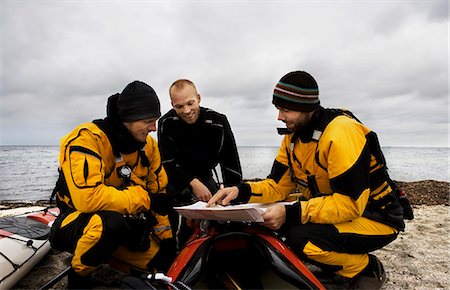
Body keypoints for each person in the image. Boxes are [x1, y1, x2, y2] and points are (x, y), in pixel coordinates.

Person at [208, 71, 409, 289]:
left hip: (376, 217)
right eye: (278, 109)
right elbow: (277, 186)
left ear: (307, 108)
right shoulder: (292, 137)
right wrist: (239, 191)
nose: (279, 117)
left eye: (286, 110)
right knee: (272, 226)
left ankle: (365, 267)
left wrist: (292, 212)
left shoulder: (340, 132)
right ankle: (335, 261)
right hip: (338, 213)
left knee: (300, 238)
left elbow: (350, 204)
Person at [50, 81, 176, 289]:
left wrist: (168, 240)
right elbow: (88, 199)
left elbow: (158, 196)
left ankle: (113, 254)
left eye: (155, 121)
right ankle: (79, 277)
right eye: (148, 121)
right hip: (74, 220)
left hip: (125, 225)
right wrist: (142, 198)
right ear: (129, 118)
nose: (154, 128)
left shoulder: (148, 146)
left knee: (163, 264)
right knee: (108, 224)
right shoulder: (87, 139)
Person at [157, 79, 242, 246]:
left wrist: (234, 197)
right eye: (179, 106)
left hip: (205, 174)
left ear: (199, 98)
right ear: (172, 104)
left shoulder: (218, 122)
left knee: (223, 217)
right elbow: (167, 162)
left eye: (190, 103)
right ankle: (176, 247)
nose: (186, 111)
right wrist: (192, 182)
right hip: (176, 178)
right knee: (177, 225)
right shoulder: (166, 123)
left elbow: (230, 163)